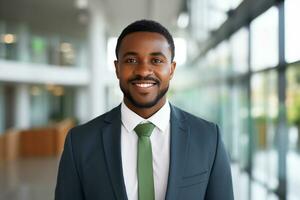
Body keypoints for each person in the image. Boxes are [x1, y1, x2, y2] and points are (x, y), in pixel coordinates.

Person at [55, 19, 234, 200]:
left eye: (156, 60)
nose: (143, 70)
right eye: (131, 60)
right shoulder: (80, 142)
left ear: (171, 69)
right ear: (117, 68)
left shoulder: (208, 138)